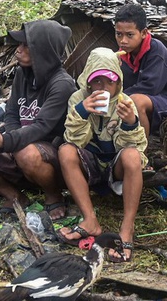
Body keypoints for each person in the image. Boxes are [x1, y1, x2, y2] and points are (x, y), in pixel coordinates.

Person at [0, 20, 75, 220]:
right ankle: (14, 196)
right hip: (19, 146)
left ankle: (54, 195)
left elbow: (41, 127)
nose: (18, 50)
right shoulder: (22, 73)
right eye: (20, 44)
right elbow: (12, 113)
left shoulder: (62, 84)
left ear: (43, 50)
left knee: (26, 153)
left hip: (49, 155)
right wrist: (9, 140)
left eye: (26, 46)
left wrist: (6, 141)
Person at [57, 47, 146, 262]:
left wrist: (130, 123)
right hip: (91, 162)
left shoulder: (125, 102)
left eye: (109, 82)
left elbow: (134, 147)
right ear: (88, 82)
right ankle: (90, 220)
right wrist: (82, 112)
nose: (103, 88)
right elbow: (76, 141)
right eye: (97, 81)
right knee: (65, 150)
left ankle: (127, 228)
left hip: (116, 165)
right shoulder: (78, 99)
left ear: (118, 83)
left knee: (132, 156)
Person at [114, 4, 167, 137]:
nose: (123, 40)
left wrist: (116, 99)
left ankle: (141, 147)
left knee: (135, 101)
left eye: (130, 35)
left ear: (143, 33)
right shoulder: (121, 54)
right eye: (119, 34)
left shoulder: (156, 51)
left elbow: (150, 88)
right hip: (142, 99)